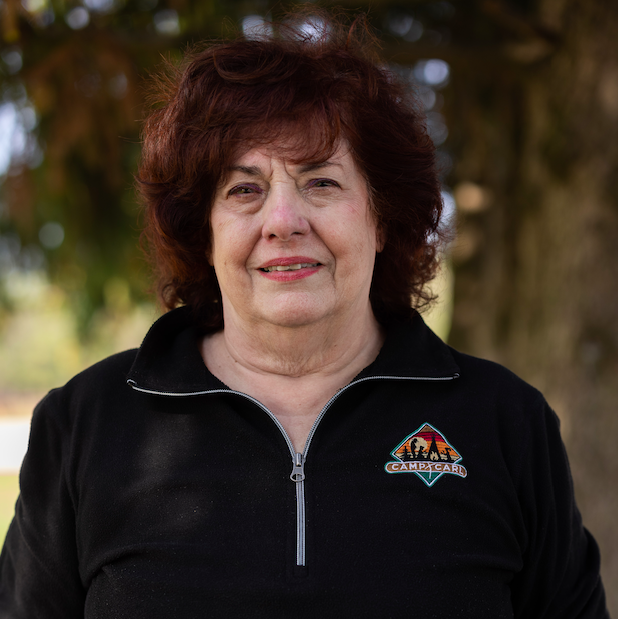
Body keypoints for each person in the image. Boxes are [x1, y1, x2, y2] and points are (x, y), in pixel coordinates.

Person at [0, 11, 609, 619]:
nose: (283, 222)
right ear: (204, 232)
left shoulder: (505, 422)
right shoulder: (83, 425)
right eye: (244, 189)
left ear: (382, 220)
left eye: (320, 183)